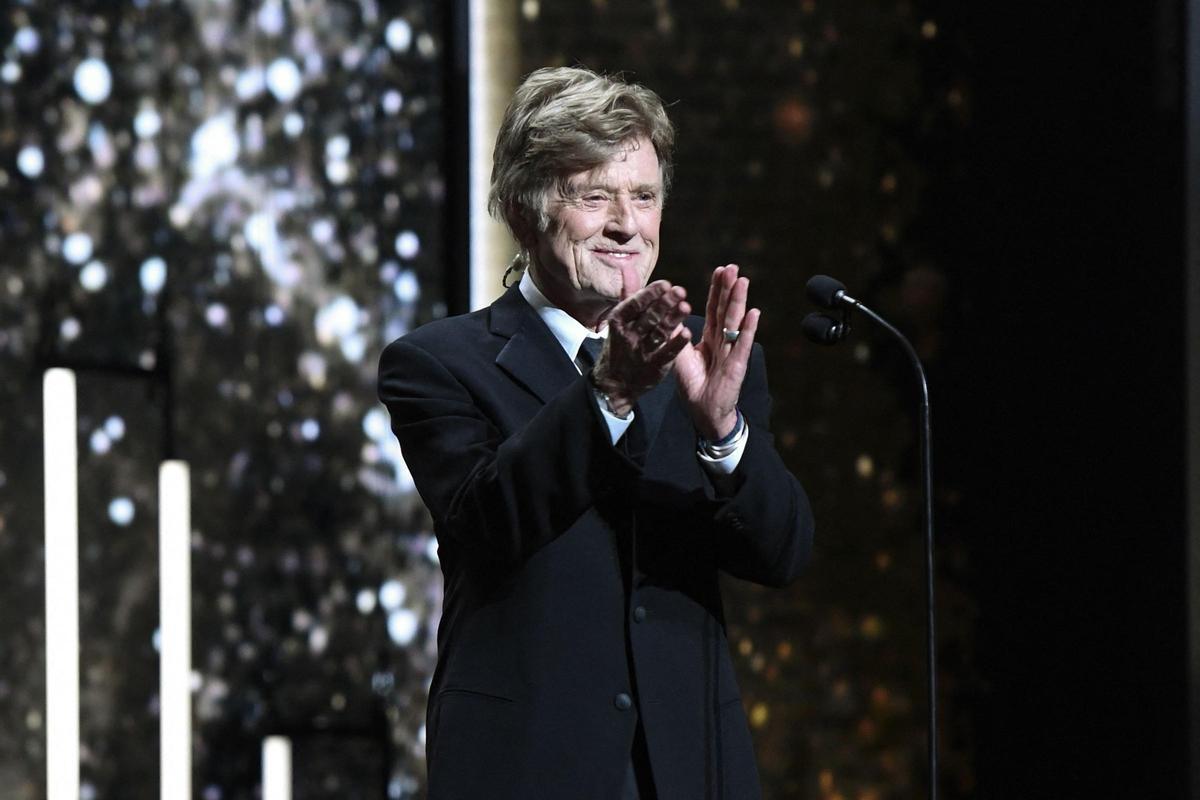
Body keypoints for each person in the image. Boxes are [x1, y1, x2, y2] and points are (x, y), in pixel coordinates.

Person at [377, 66, 814, 799]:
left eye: (643, 196)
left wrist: (723, 433)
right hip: (527, 766)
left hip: (687, 767)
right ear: (523, 209)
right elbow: (489, 523)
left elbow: (782, 553)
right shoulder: (437, 364)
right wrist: (609, 390)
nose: (627, 224)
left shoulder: (712, 365)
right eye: (595, 197)